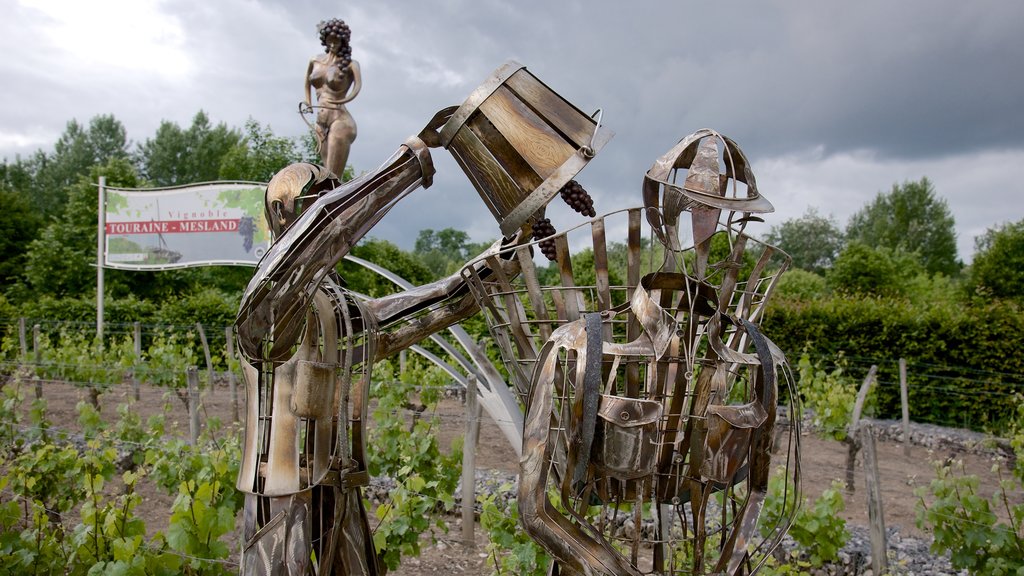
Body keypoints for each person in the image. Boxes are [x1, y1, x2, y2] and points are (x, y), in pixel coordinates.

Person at [304, 18, 361, 177]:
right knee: (326, 173)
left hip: (340, 119)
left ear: (343, 41)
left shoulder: (350, 64)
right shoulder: (315, 60)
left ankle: (336, 200)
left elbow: (357, 87)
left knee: (332, 175)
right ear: (325, 40)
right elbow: (307, 83)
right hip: (320, 121)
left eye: (337, 41)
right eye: (330, 41)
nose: (333, 44)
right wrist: (308, 102)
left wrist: (343, 99)